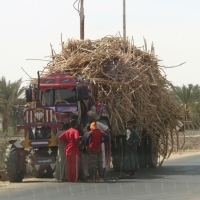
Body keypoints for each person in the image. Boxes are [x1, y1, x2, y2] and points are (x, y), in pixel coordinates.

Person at [85, 106, 110, 177]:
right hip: (93, 146)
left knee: (99, 160)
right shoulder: (88, 125)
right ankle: (96, 175)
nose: (88, 118)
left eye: (89, 117)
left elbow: (107, 130)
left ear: (93, 118)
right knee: (94, 160)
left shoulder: (98, 124)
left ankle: (98, 175)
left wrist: (102, 140)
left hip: (98, 145)